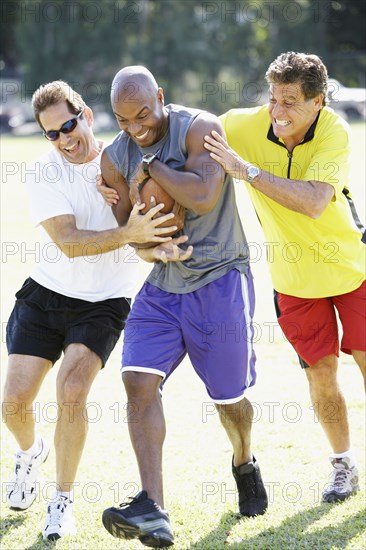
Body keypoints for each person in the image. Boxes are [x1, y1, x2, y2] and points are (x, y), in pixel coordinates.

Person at [2, 80, 191, 542]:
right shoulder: (44, 172)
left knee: (72, 390)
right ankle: (30, 453)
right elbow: (68, 242)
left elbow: (148, 232)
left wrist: (156, 248)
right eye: (52, 133)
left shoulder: (124, 162)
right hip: (47, 292)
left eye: (69, 124)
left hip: (105, 302)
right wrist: (128, 233)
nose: (65, 138)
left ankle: (61, 500)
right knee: (13, 402)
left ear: (86, 115)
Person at [99, 65, 268, 549]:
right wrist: (152, 250)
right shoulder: (115, 158)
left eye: (143, 115)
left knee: (228, 399)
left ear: (161, 96)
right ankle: (153, 507)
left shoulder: (201, 128)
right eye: (123, 119)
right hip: (164, 283)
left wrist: (153, 169)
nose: (135, 128)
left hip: (219, 279)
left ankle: (243, 460)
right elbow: (131, 233)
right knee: (136, 381)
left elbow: (203, 192)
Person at [204, 51, 365, 504]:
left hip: (354, 270)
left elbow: (315, 201)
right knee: (321, 376)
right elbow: (191, 129)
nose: (277, 111)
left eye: (290, 101)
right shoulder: (246, 124)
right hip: (293, 281)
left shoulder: (334, 130)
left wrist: (247, 171)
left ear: (319, 101)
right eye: (273, 97)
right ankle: (344, 466)